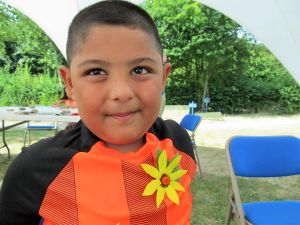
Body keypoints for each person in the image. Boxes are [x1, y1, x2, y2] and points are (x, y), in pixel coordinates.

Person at [0, 1, 196, 224]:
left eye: (140, 70)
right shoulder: (35, 171)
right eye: (96, 71)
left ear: (163, 77)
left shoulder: (178, 143)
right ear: (70, 83)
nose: (121, 93)